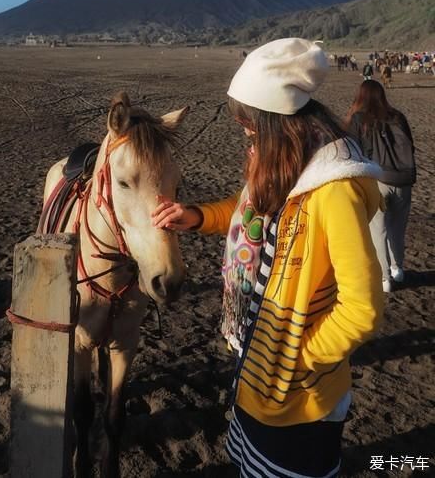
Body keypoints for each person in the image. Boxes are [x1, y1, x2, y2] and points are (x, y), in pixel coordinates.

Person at [152, 38, 384, 478]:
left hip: (300, 393)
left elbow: (363, 309)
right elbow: (249, 214)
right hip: (258, 362)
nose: (247, 138)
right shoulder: (286, 162)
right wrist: (196, 216)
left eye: (250, 127)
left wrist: (302, 356)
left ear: (278, 122)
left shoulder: (333, 189)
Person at [345, 79, 416, 293]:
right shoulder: (398, 116)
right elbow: (410, 146)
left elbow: (352, 150)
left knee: (378, 228)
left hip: (378, 179)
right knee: (398, 227)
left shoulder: (358, 119)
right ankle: (398, 269)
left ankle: (384, 278)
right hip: (404, 179)